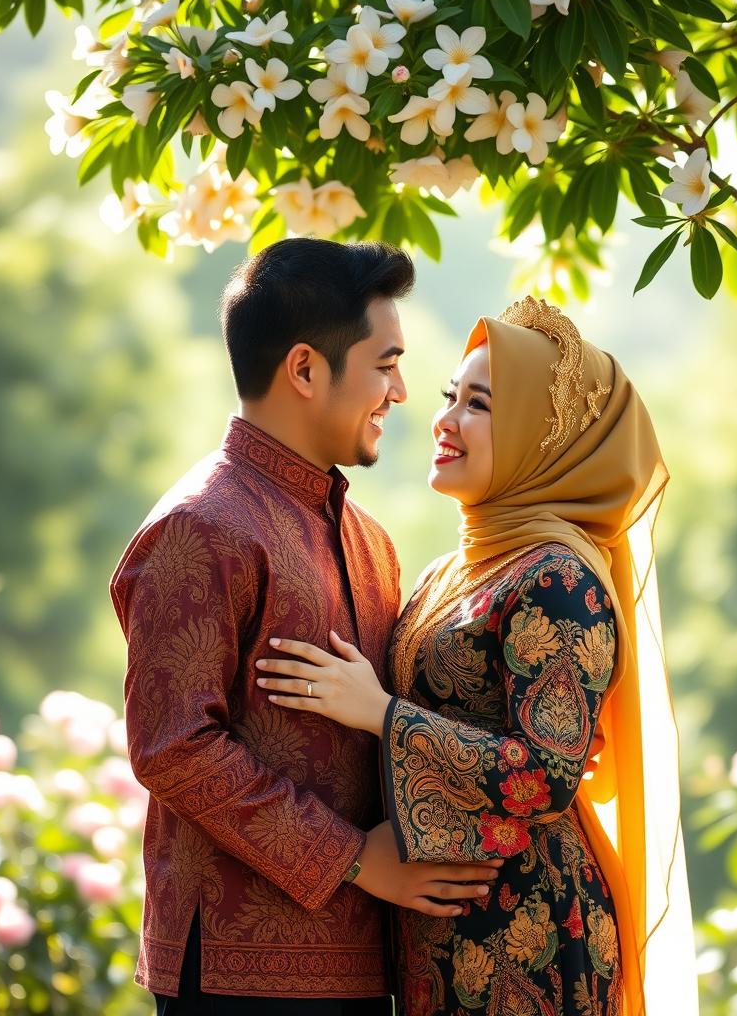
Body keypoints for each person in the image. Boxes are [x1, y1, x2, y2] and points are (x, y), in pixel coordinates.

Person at [257, 296, 700, 1016]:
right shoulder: (451, 572)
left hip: (526, 927)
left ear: (541, 437)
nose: (444, 420)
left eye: (480, 405)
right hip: (444, 927)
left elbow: (546, 772)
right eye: (448, 397)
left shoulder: (558, 579)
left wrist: (381, 715)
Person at [110, 238, 503, 1016]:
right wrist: (356, 859)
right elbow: (172, 747)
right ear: (304, 369)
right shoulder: (201, 528)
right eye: (385, 363)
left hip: (363, 963)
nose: (399, 392)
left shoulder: (372, 542)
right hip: (235, 978)